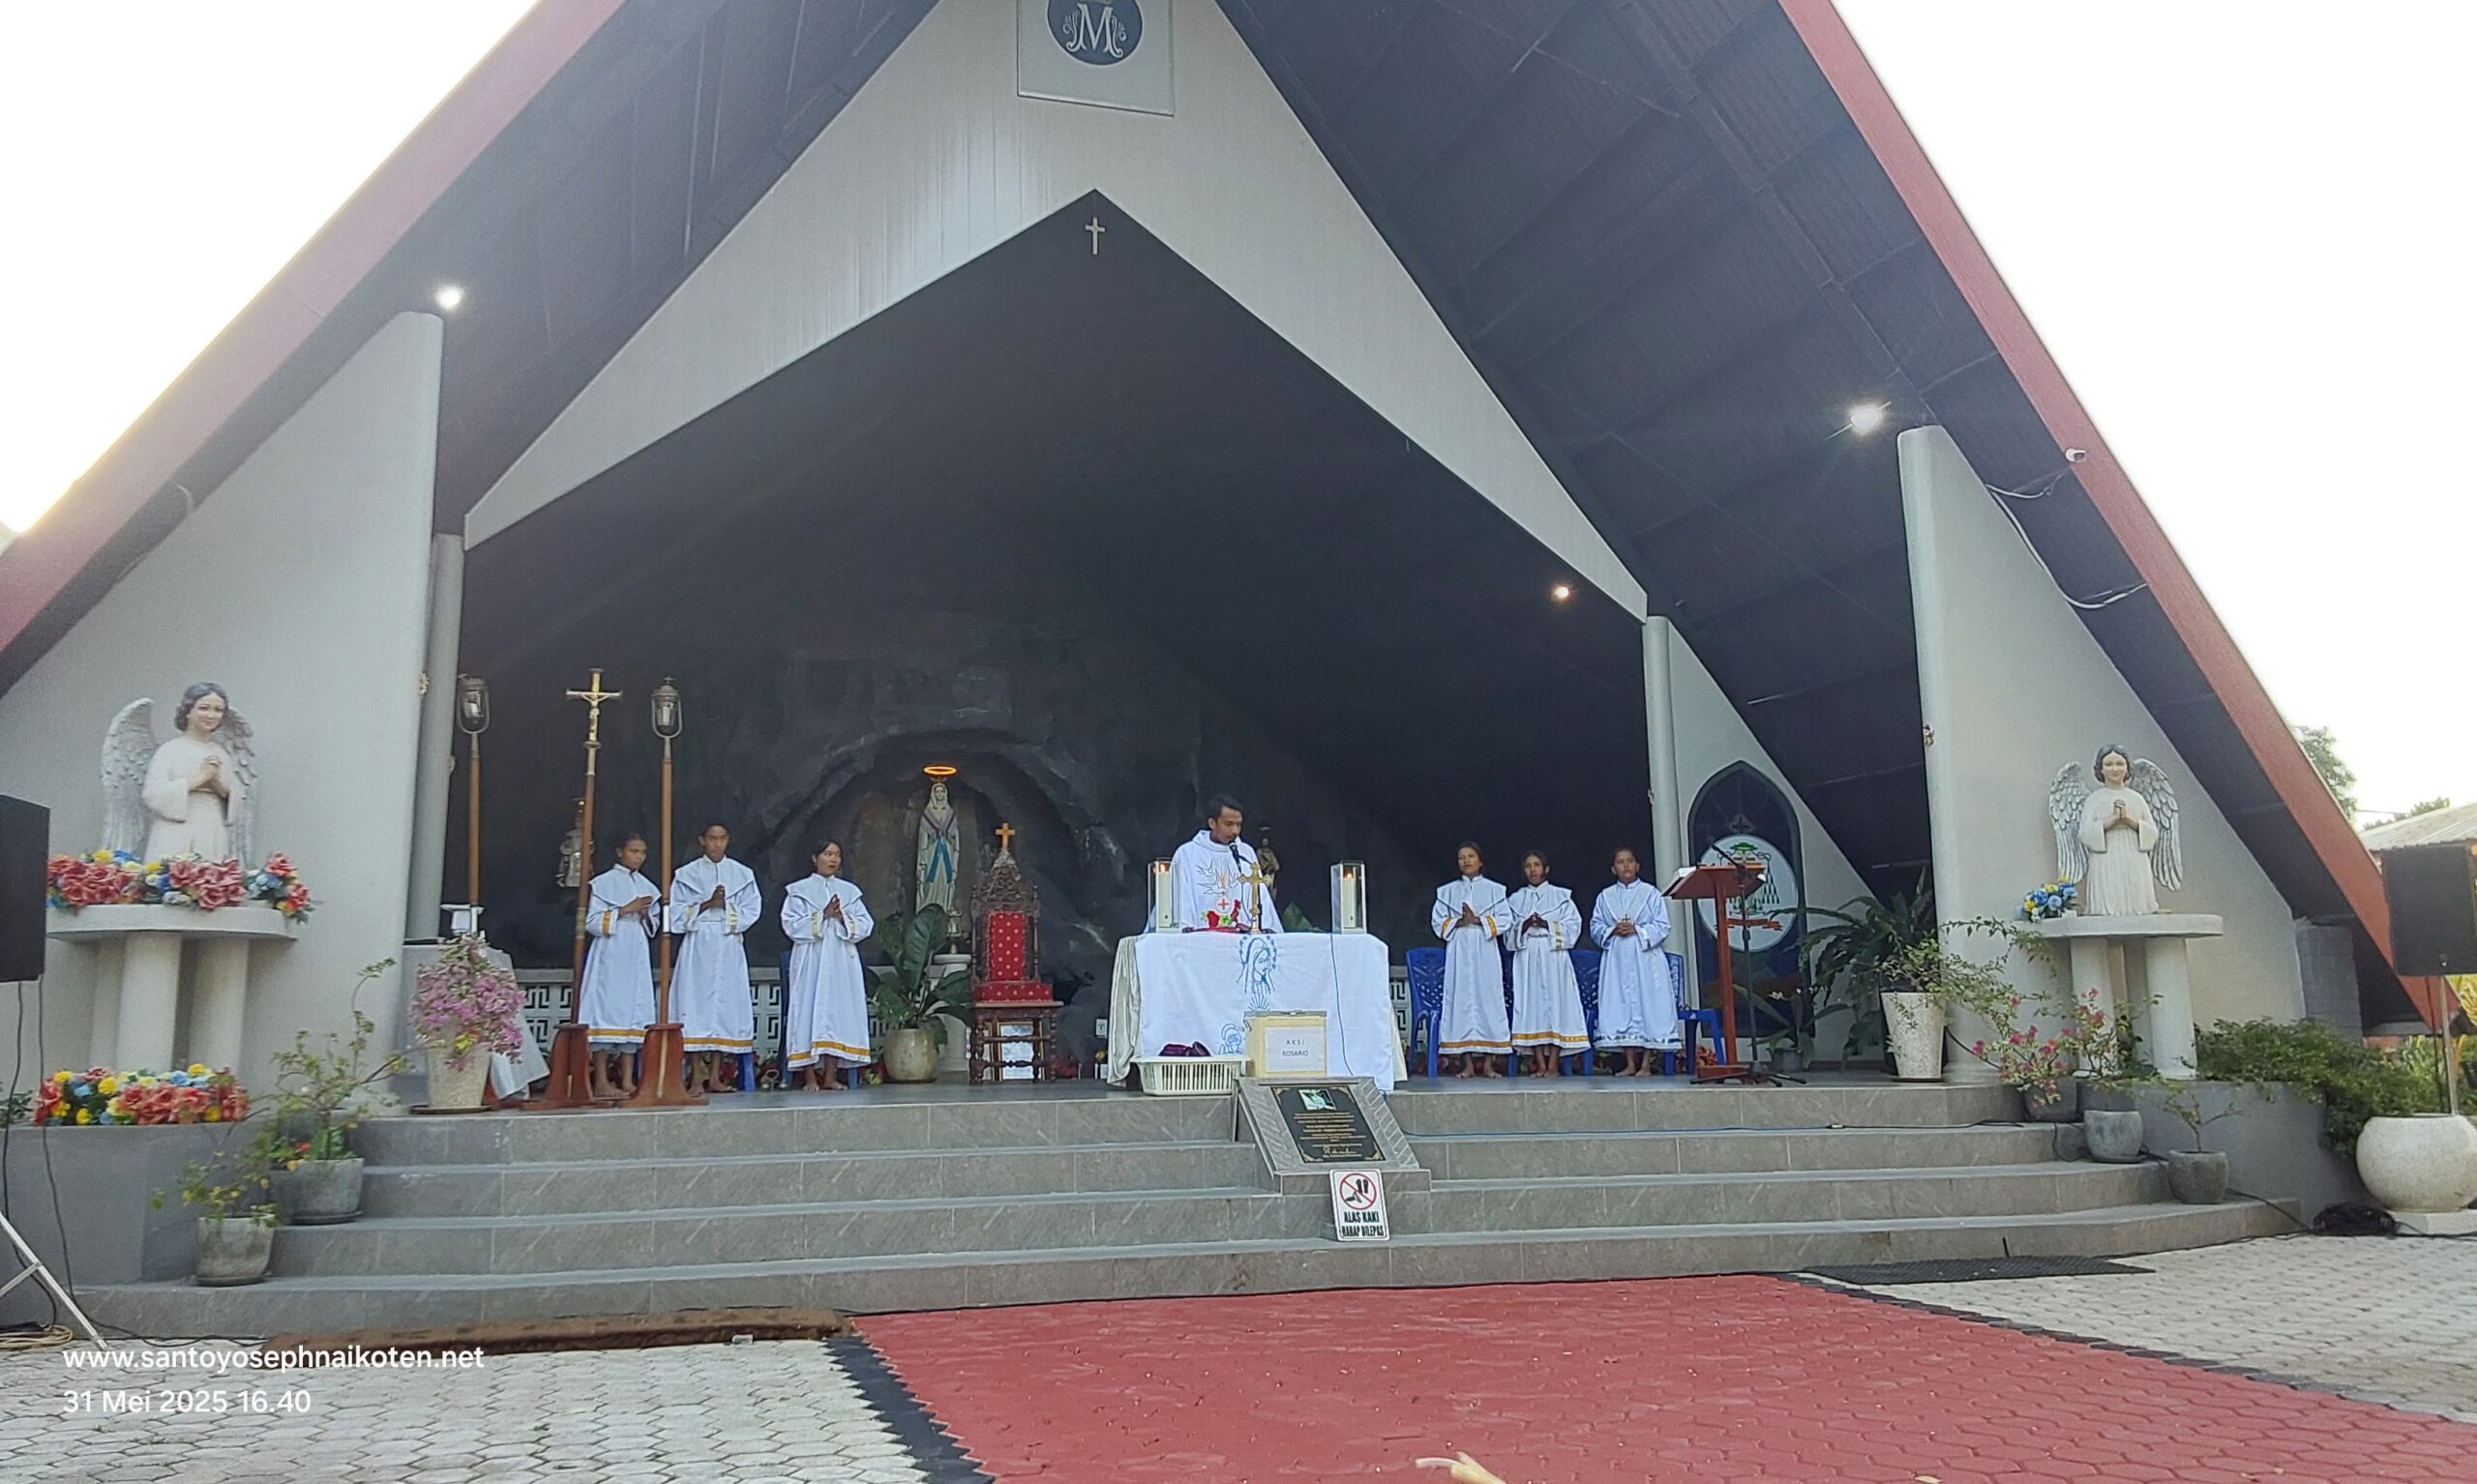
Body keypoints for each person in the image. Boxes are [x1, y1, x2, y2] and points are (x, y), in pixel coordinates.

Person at [667, 822, 761, 1094]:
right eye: (711, 838)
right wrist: (707, 905)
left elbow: (752, 910)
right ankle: (696, 1077)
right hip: (699, 944)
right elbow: (675, 915)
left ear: (728, 840)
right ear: (702, 840)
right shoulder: (687, 874)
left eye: (721, 839)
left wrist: (727, 908)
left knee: (723, 1009)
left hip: (728, 944)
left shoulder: (742, 874)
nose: (717, 844)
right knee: (695, 1009)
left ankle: (717, 1076)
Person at [781, 842, 875, 1092]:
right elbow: (791, 926)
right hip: (811, 957)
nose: (833, 859)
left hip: (841, 960)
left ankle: (831, 1075)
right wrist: (822, 915)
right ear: (815, 857)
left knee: (836, 1014)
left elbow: (865, 925)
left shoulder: (849, 891)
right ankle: (810, 1077)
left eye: (837, 855)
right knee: (808, 1012)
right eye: (827, 854)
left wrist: (842, 916)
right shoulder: (799, 891)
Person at [576, 833, 660, 1098]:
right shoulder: (603, 884)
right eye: (634, 851)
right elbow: (591, 922)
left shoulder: (646, 884)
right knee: (605, 1010)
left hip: (635, 948)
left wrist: (645, 915)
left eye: (643, 852)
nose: (639, 857)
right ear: (620, 852)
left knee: (634, 1011)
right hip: (611, 950)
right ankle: (601, 1079)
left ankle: (627, 1079)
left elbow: (654, 926)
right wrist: (624, 909)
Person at [1589, 847, 1680, 1076]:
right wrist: (1612, 930)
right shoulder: (1605, 896)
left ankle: (1647, 1064)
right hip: (1617, 959)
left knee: (1648, 1004)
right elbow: (1595, 926)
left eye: (1630, 861)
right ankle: (1630, 1063)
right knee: (1622, 1006)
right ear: (1613, 868)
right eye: (1620, 862)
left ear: (1638, 865)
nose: (1626, 866)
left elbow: (1662, 925)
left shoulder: (1651, 894)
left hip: (1645, 958)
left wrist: (1638, 929)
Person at [1501, 849, 1587, 1076]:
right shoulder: (1515, 900)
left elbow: (1573, 927)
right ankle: (1539, 1062)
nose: (1533, 870)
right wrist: (1525, 926)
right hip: (1527, 956)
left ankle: (1553, 1064)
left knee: (1557, 1006)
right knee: (1532, 1007)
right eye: (1528, 866)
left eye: (1537, 865)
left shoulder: (1561, 896)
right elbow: (1508, 935)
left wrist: (1548, 925)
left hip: (1554, 955)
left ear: (1546, 869)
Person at [1430, 843, 1510, 1078]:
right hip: (1460, 951)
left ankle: (1488, 1064)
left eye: (1471, 856)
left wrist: (1479, 921)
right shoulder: (1447, 892)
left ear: (1480, 861)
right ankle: (1466, 1064)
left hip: (1485, 950)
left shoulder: (1495, 890)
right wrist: (1458, 922)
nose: (1466, 861)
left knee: (1489, 1001)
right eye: (1461, 858)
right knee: (1461, 1002)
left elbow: (1506, 919)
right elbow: (1437, 922)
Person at [1167, 794, 1280, 932]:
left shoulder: (1245, 853)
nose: (1235, 831)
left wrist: (1265, 926)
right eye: (1228, 824)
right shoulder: (1187, 853)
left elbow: (1259, 895)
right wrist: (1185, 926)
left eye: (1238, 824)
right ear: (1212, 823)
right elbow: (1180, 898)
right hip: (1200, 941)